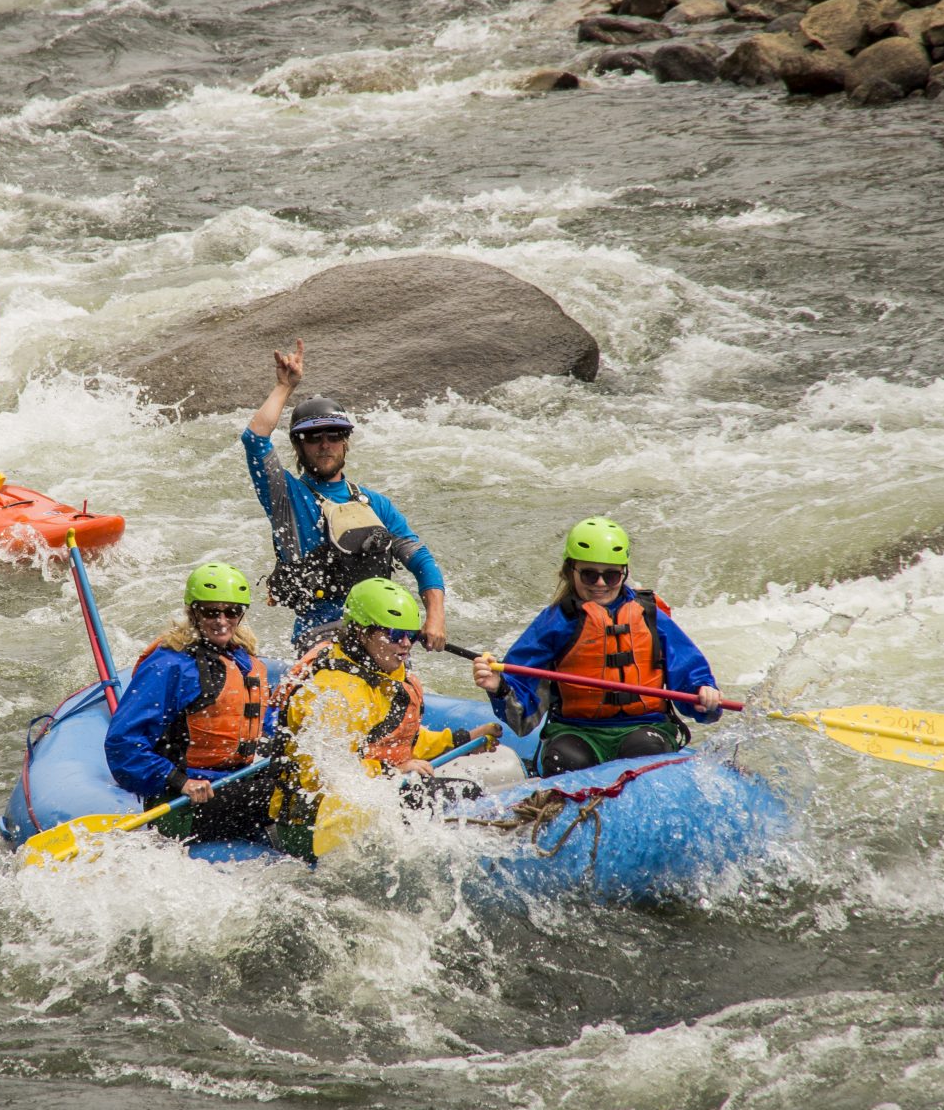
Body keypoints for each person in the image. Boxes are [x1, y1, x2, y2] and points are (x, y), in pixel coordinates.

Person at [472, 516, 723, 778]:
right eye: (590, 575)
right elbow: (522, 707)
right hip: (576, 731)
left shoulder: (650, 616)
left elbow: (690, 676)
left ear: (623, 574)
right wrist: (499, 687)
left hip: (645, 727)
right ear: (571, 571)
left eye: (611, 575)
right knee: (563, 759)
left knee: (645, 751)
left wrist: (704, 694)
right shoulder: (555, 622)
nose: (601, 584)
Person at [243, 338, 447, 652]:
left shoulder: (375, 504)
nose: (324, 444)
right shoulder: (286, 498)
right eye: (313, 437)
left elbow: (421, 561)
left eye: (333, 435)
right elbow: (254, 440)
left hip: (381, 636)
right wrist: (284, 386)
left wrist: (435, 617)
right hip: (321, 635)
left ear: (345, 441)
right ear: (299, 446)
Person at [268, 578, 497, 857]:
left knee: (456, 791)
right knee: (463, 793)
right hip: (310, 826)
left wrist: (462, 739)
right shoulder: (333, 693)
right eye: (394, 633)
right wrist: (393, 772)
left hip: (363, 799)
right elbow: (324, 774)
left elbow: (398, 739)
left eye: (410, 635)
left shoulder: (381, 674)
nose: (405, 644)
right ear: (362, 632)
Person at [102, 562, 279, 845]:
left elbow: (264, 720)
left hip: (234, 781)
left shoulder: (243, 661)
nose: (222, 621)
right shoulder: (171, 666)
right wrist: (179, 781)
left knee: (302, 775)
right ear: (193, 612)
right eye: (211, 611)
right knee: (290, 793)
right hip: (184, 802)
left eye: (231, 612)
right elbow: (123, 743)